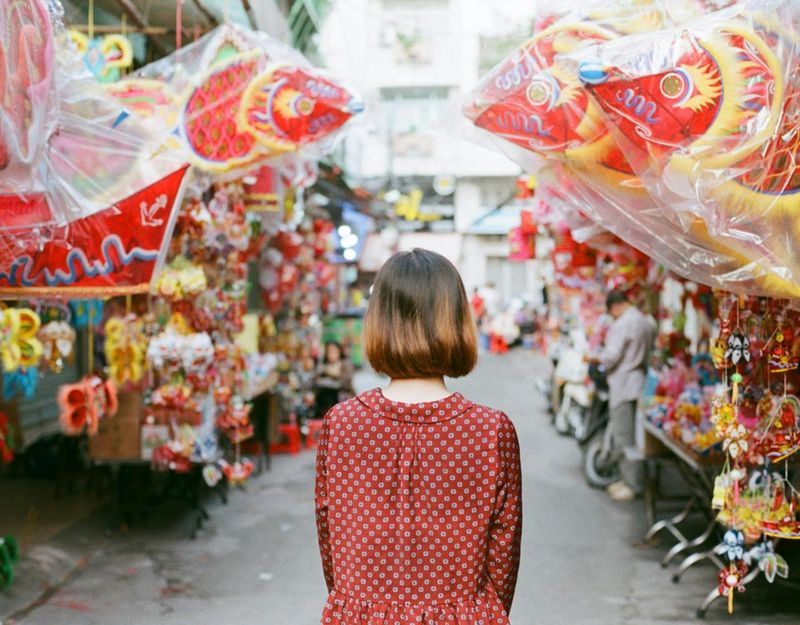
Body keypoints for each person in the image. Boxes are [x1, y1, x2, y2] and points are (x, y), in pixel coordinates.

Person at [315, 249, 522, 624]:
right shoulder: (490, 430)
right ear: (457, 321)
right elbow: (503, 557)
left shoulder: (341, 424)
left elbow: (330, 545)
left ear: (378, 322)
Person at [597, 290, 657, 502]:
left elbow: (611, 356)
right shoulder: (644, 321)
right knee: (633, 435)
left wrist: (596, 359)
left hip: (623, 384)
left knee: (624, 436)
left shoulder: (623, 323)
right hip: (638, 382)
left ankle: (632, 484)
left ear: (615, 306)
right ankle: (629, 480)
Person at [314, 341, 353, 419]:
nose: (331, 353)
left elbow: (343, 383)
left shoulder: (345, 365)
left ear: (339, 351)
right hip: (324, 399)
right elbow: (315, 380)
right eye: (329, 351)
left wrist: (330, 376)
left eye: (334, 351)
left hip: (341, 396)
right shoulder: (324, 366)